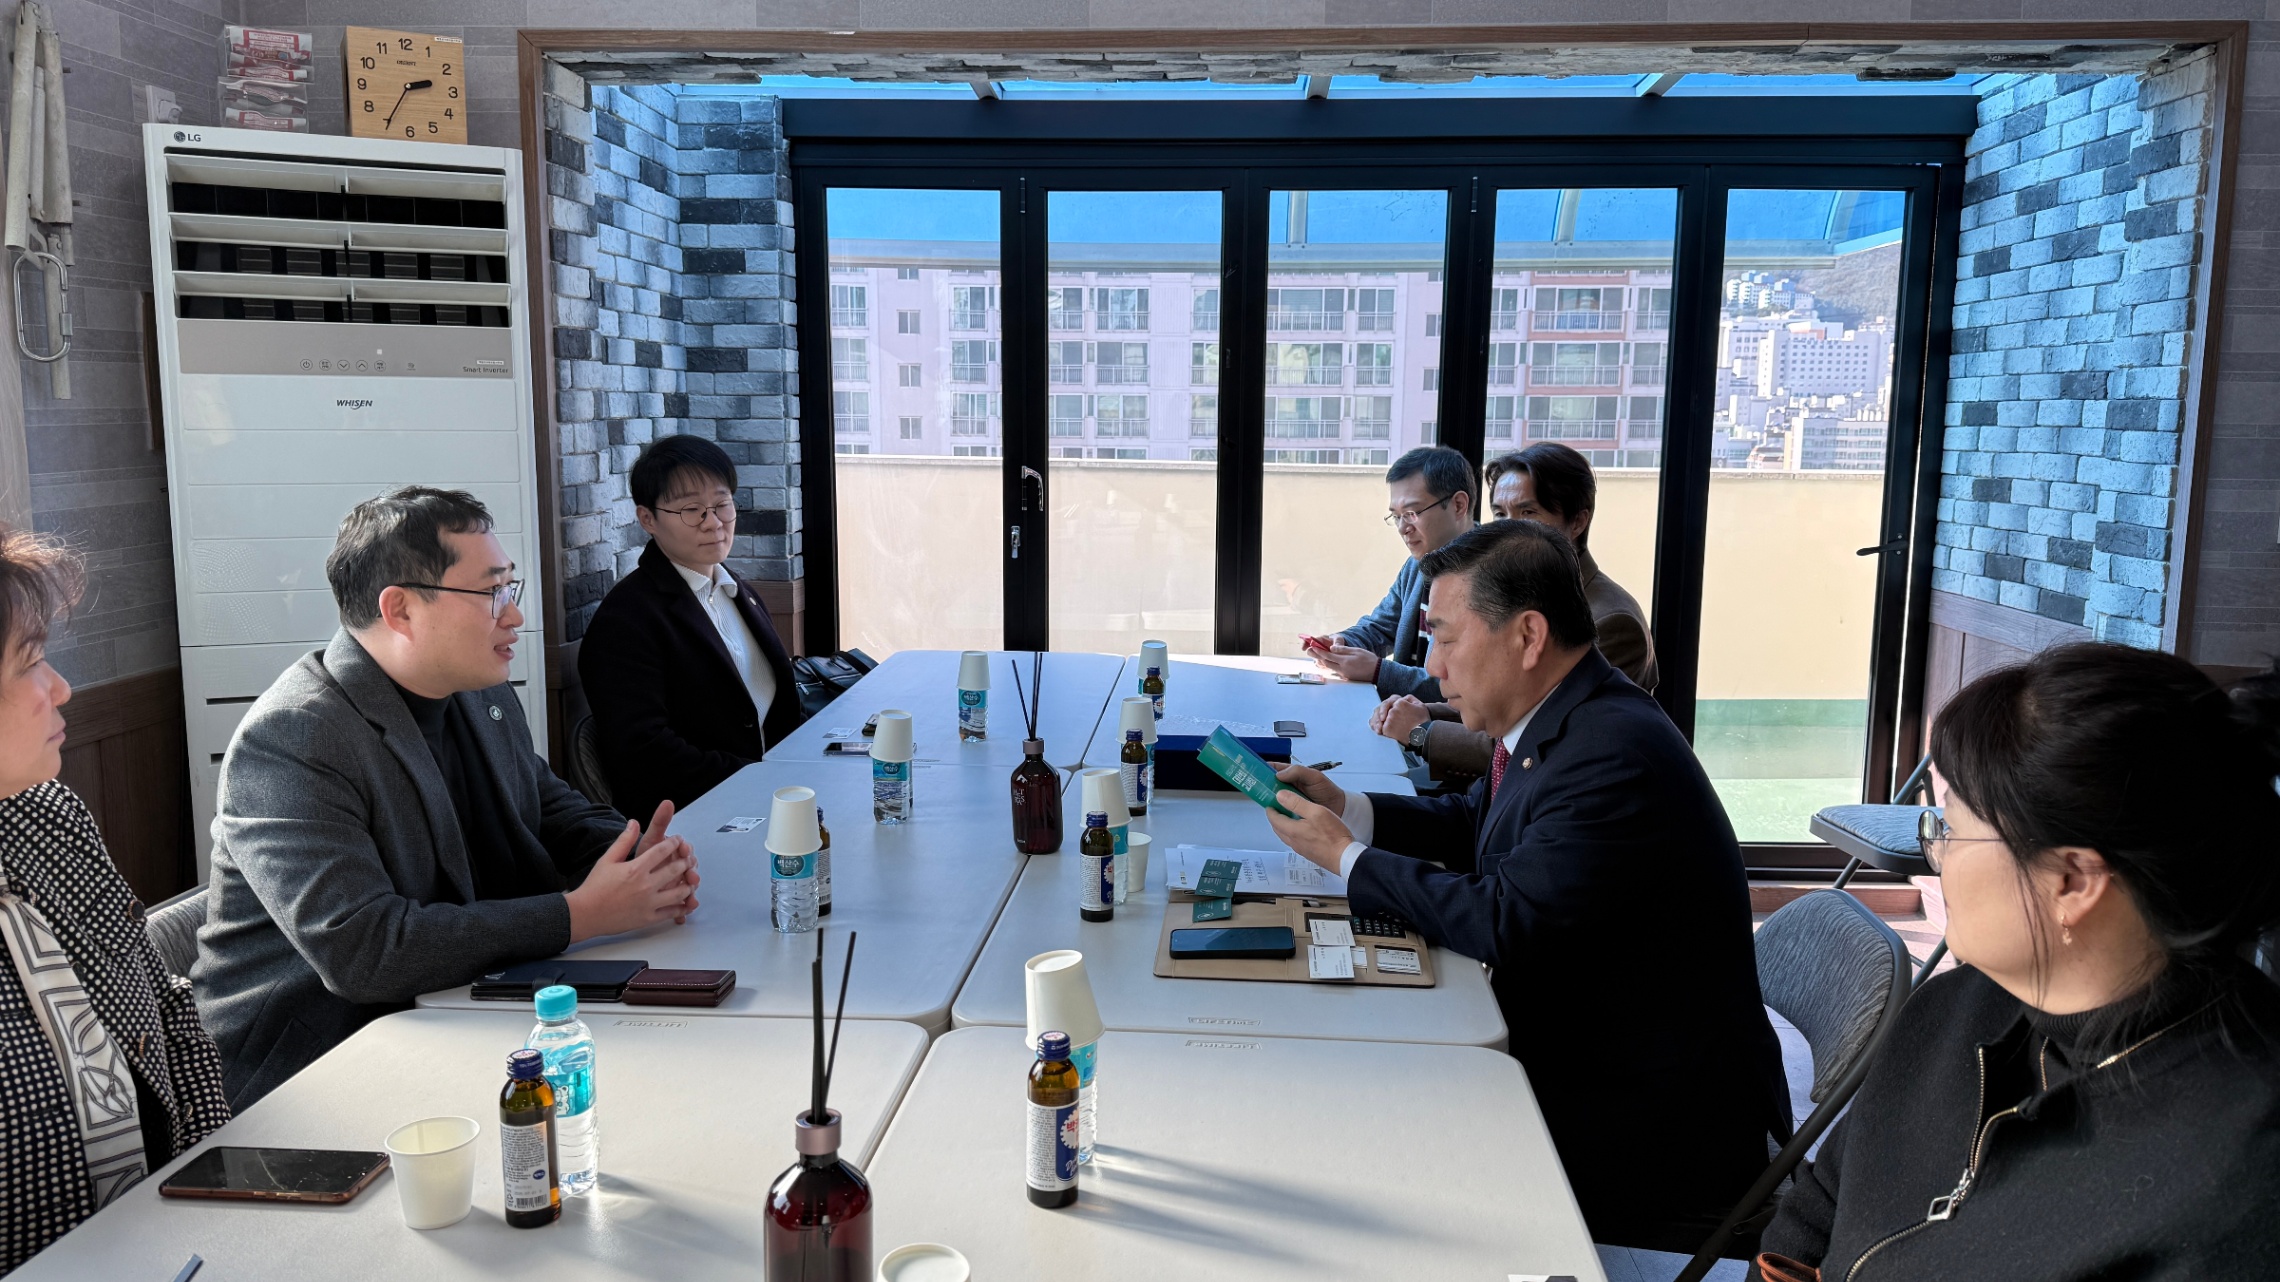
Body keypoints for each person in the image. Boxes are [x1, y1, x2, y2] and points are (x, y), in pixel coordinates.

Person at [1268, 519, 1788, 1250]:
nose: (1433, 668)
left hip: (1648, 1120)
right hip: (1595, 1053)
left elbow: (1506, 921)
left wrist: (1348, 858)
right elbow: (1475, 825)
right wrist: (1348, 809)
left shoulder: (1612, 754)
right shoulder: (1568, 717)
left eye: (1447, 640)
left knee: (1367, 1133)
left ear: (1528, 636)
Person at [1753, 644, 2280, 1281]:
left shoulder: (2242, 1181)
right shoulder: (1957, 1006)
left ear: (2072, 880)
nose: (1936, 856)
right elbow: (1817, 1210)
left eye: (1950, 827)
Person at [196, 488, 700, 1109]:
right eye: (492, 593)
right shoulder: (294, 736)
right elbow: (366, 951)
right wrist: (581, 915)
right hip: (315, 1072)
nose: (514, 615)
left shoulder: (476, 690)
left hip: (461, 1013)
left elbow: (545, 806)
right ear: (401, 609)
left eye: (509, 587)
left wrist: (636, 858)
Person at [0, 529, 229, 1270]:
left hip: (165, 1236)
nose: (62, 687)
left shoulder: (49, 817)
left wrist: (210, 1182)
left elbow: (166, 1005)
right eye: (31, 662)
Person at [1372, 442, 1659, 783]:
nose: (1506, 531)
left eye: (1528, 513)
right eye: (1500, 515)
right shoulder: (1514, 592)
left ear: (1578, 521)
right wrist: (1420, 711)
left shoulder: (1612, 622)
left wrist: (1420, 733)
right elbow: (1498, 699)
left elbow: (1534, 743)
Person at [579, 435, 802, 822]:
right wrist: (757, 779)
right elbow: (645, 752)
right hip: (699, 818)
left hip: (774, 800)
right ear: (648, 519)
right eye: (692, 510)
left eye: (721, 505)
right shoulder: (626, 620)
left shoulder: (737, 591)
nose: (713, 523)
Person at [1305, 445, 1475, 700]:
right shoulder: (1417, 565)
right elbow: (1381, 628)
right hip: (1404, 713)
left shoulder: (1490, 577)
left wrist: (1377, 671)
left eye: (1412, 513)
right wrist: (1342, 643)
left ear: (1458, 505)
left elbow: (1461, 687)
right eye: (1396, 516)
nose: (1403, 528)